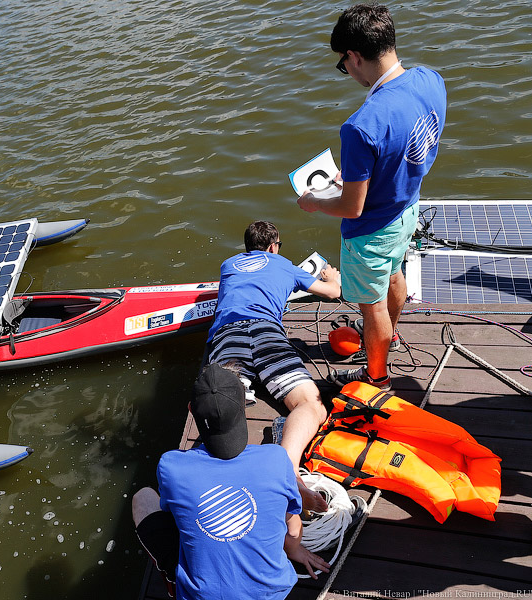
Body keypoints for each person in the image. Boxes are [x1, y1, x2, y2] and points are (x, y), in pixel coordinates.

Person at [297, 3, 447, 391]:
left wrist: (314, 203)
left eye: (342, 64)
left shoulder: (361, 126)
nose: (346, 72)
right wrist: (364, 172)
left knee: (371, 304)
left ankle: (376, 377)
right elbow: (408, 145)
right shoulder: (431, 79)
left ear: (354, 56)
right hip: (408, 210)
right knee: (394, 273)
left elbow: (352, 206)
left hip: (370, 230)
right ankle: (390, 337)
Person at [132, 363, 330, 599]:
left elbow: (172, 515)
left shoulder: (171, 466)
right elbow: (294, 528)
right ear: (244, 407)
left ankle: (174, 578)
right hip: (272, 593)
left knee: (143, 497)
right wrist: (294, 549)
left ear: (191, 410)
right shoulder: (276, 459)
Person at [206, 220, 341, 513]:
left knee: (222, 405)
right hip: (268, 334)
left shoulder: (228, 265)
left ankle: (226, 471)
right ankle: (288, 469)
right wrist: (333, 276)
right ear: (273, 247)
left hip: (228, 336)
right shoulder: (284, 264)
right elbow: (332, 293)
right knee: (310, 404)